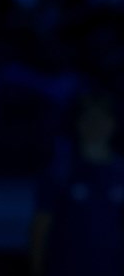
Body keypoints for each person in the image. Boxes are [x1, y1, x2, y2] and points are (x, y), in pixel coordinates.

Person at [30, 89, 124, 275]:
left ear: (113, 124)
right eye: (88, 118)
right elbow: (40, 228)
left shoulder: (121, 172)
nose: (95, 125)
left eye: (102, 119)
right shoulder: (58, 173)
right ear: (78, 123)